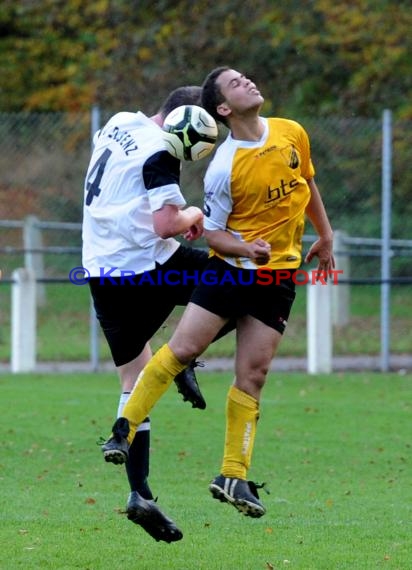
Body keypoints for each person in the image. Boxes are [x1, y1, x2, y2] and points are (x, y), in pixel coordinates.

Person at [101, 66, 335, 523]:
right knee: (183, 348)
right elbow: (211, 234)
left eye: (246, 77)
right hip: (229, 273)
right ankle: (123, 429)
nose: (248, 81)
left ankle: (233, 475)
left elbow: (307, 183)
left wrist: (325, 236)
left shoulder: (292, 132)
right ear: (223, 109)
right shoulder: (224, 166)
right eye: (235, 83)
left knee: (255, 374)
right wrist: (245, 247)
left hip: (277, 278)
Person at [82, 85, 221, 544]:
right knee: (241, 294)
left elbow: (129, 194)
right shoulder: (162, 151)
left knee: (135, 382)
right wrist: (192, 212)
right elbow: (165, 224)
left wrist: (173, 220)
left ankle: (140, 493)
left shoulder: (120, 120)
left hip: (101, 269)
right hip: (146, 267)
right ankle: (178, 359)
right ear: (186, 122)